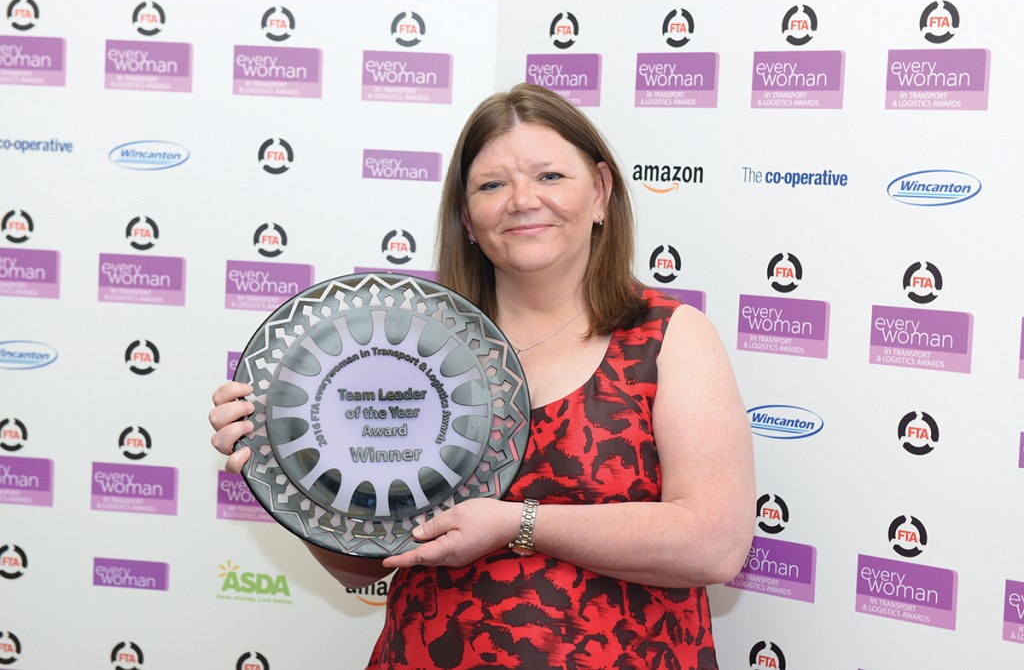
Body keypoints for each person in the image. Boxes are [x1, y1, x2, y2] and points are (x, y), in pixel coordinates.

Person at [209, 83, 754, 669]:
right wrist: (289, 477)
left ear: (600, 193)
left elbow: (714, 545)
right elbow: (368, 566)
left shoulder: (670, 335)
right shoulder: (403, 348)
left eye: (549, 176)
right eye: (492, 185)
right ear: (467, 217)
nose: (522, 200)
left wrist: (515, 524)